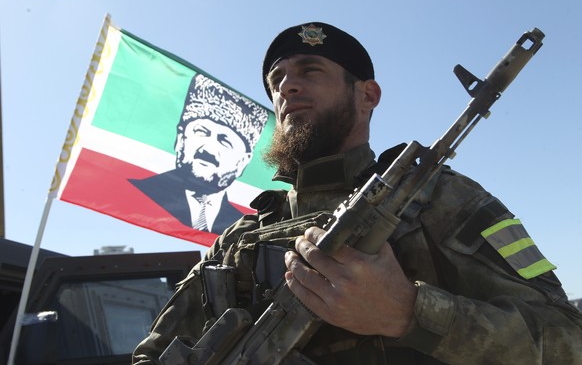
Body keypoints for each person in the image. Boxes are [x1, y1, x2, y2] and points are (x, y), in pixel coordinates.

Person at [133, 22, 582, 364]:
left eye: (311, 71)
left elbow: (568, 337)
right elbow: (152, 352)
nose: (288, 87)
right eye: (277, 80)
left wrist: (407, 312)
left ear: (368, 95)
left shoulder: (441, 201)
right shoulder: (237, 242)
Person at [130, 73, 268, 235]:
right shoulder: (138, 194)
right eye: (202, 132)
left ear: (242, 162)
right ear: (181, 139)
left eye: (224, 140)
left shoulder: (248, 227)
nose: (209, 148)